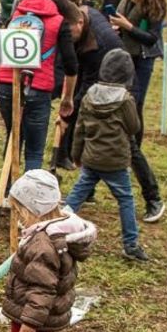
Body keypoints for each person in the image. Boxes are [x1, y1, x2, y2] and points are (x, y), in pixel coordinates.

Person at [0, 169, 93, 332]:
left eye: (20, 212)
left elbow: (43, 287)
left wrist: (30, 320)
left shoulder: (42, 244)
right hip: (46, 313)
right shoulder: (57, 232)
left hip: (36, 314)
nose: (18, 218)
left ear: (33, 210)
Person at [0, 0, 78, 172]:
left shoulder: (16, 16)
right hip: (38, 88)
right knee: (34, 149)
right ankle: (27, 193)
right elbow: (71, 64)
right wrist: (68, 97)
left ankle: (8, 189)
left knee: (13, 137)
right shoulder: (59, 22)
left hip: (6, 86)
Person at [64, 49, 147, 261]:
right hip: (115, 162)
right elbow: (134, 126)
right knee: (125, 199)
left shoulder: (90, 94)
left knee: (76, 196)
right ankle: (130, 245)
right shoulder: (126, 100)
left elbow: (79, 128)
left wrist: (76, 154)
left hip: (91, 158)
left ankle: (57, 228)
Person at [107, 0, 166, 224]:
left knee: (133, 110)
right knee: (125, 113)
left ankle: (136, 158)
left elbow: (151, 37)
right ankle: (130, 154)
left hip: (142, 60)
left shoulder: (153, 2)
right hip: (123, 56)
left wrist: (128, 27)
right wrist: (116, 26)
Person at [53, 0, 124, 176]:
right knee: (77, 107)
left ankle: (88, 165)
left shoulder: (95, 46)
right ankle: (68, 158)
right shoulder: (78, 16)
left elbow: (87, 87)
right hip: (93, 64)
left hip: (114, 74)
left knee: (95, 119)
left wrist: (68, 111)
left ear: (79, 23)